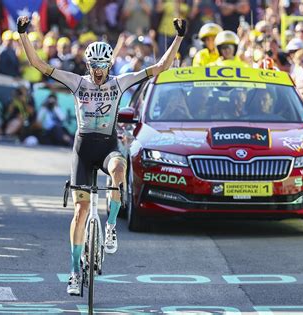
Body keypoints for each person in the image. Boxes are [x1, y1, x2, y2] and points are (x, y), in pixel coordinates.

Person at [17, 15, 186, 296]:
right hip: (83, 149)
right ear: (88, 65)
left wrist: (179, 37)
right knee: (81, 211)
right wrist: (23, 34)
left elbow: (159, 67)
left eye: (102, 66)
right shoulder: (77, 82)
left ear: (109, 64)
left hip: (107, 147)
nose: (98, 71)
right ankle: (73, 271)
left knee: (120, 168)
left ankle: (110, 227)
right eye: (94, 66)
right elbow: (39, 65)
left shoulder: (119, 83)